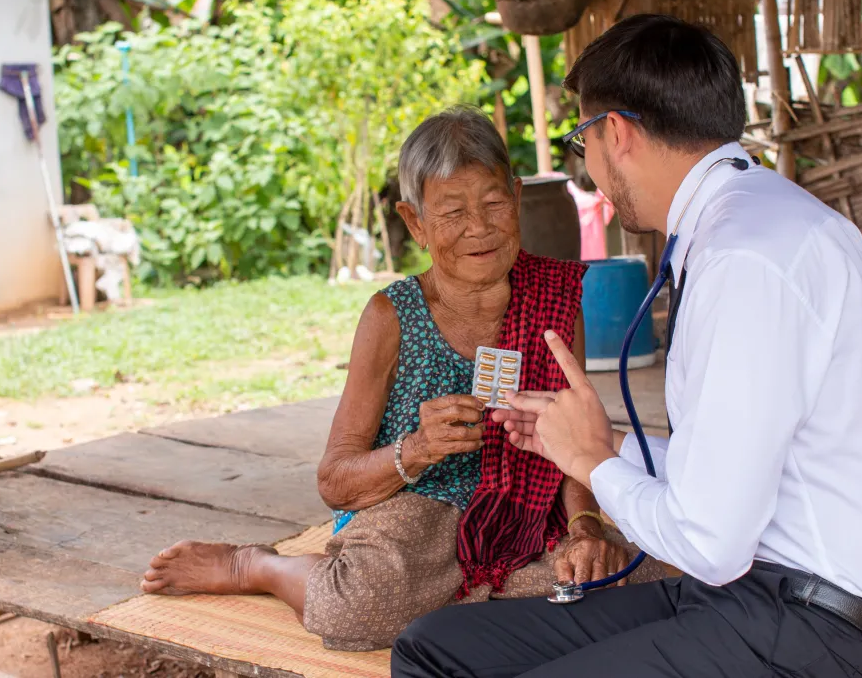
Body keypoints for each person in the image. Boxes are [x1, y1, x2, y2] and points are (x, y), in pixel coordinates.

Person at [391, 15, 862, 678]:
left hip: (818, 631)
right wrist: (611, 443)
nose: (585, 166)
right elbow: (733, 469)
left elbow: (710, 543)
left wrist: (592, 465)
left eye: (579, 141)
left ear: (613, 133)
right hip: (761, 596)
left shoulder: (746, 260)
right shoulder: (759, 221)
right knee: (433, 647)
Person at [139, 106, 663, 651]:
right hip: (415, 513)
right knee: (358, 609)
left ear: (517, 197)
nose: (479, 228)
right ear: (414, 222)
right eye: (453, 212)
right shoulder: (390, 316)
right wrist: (414, 450)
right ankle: (262, 567)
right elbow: (334, 480)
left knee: (630, 578)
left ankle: (467, 596)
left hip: (524, 516)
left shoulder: (554, 299)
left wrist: (584, 530)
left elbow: (573, 441)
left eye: (492, 204)